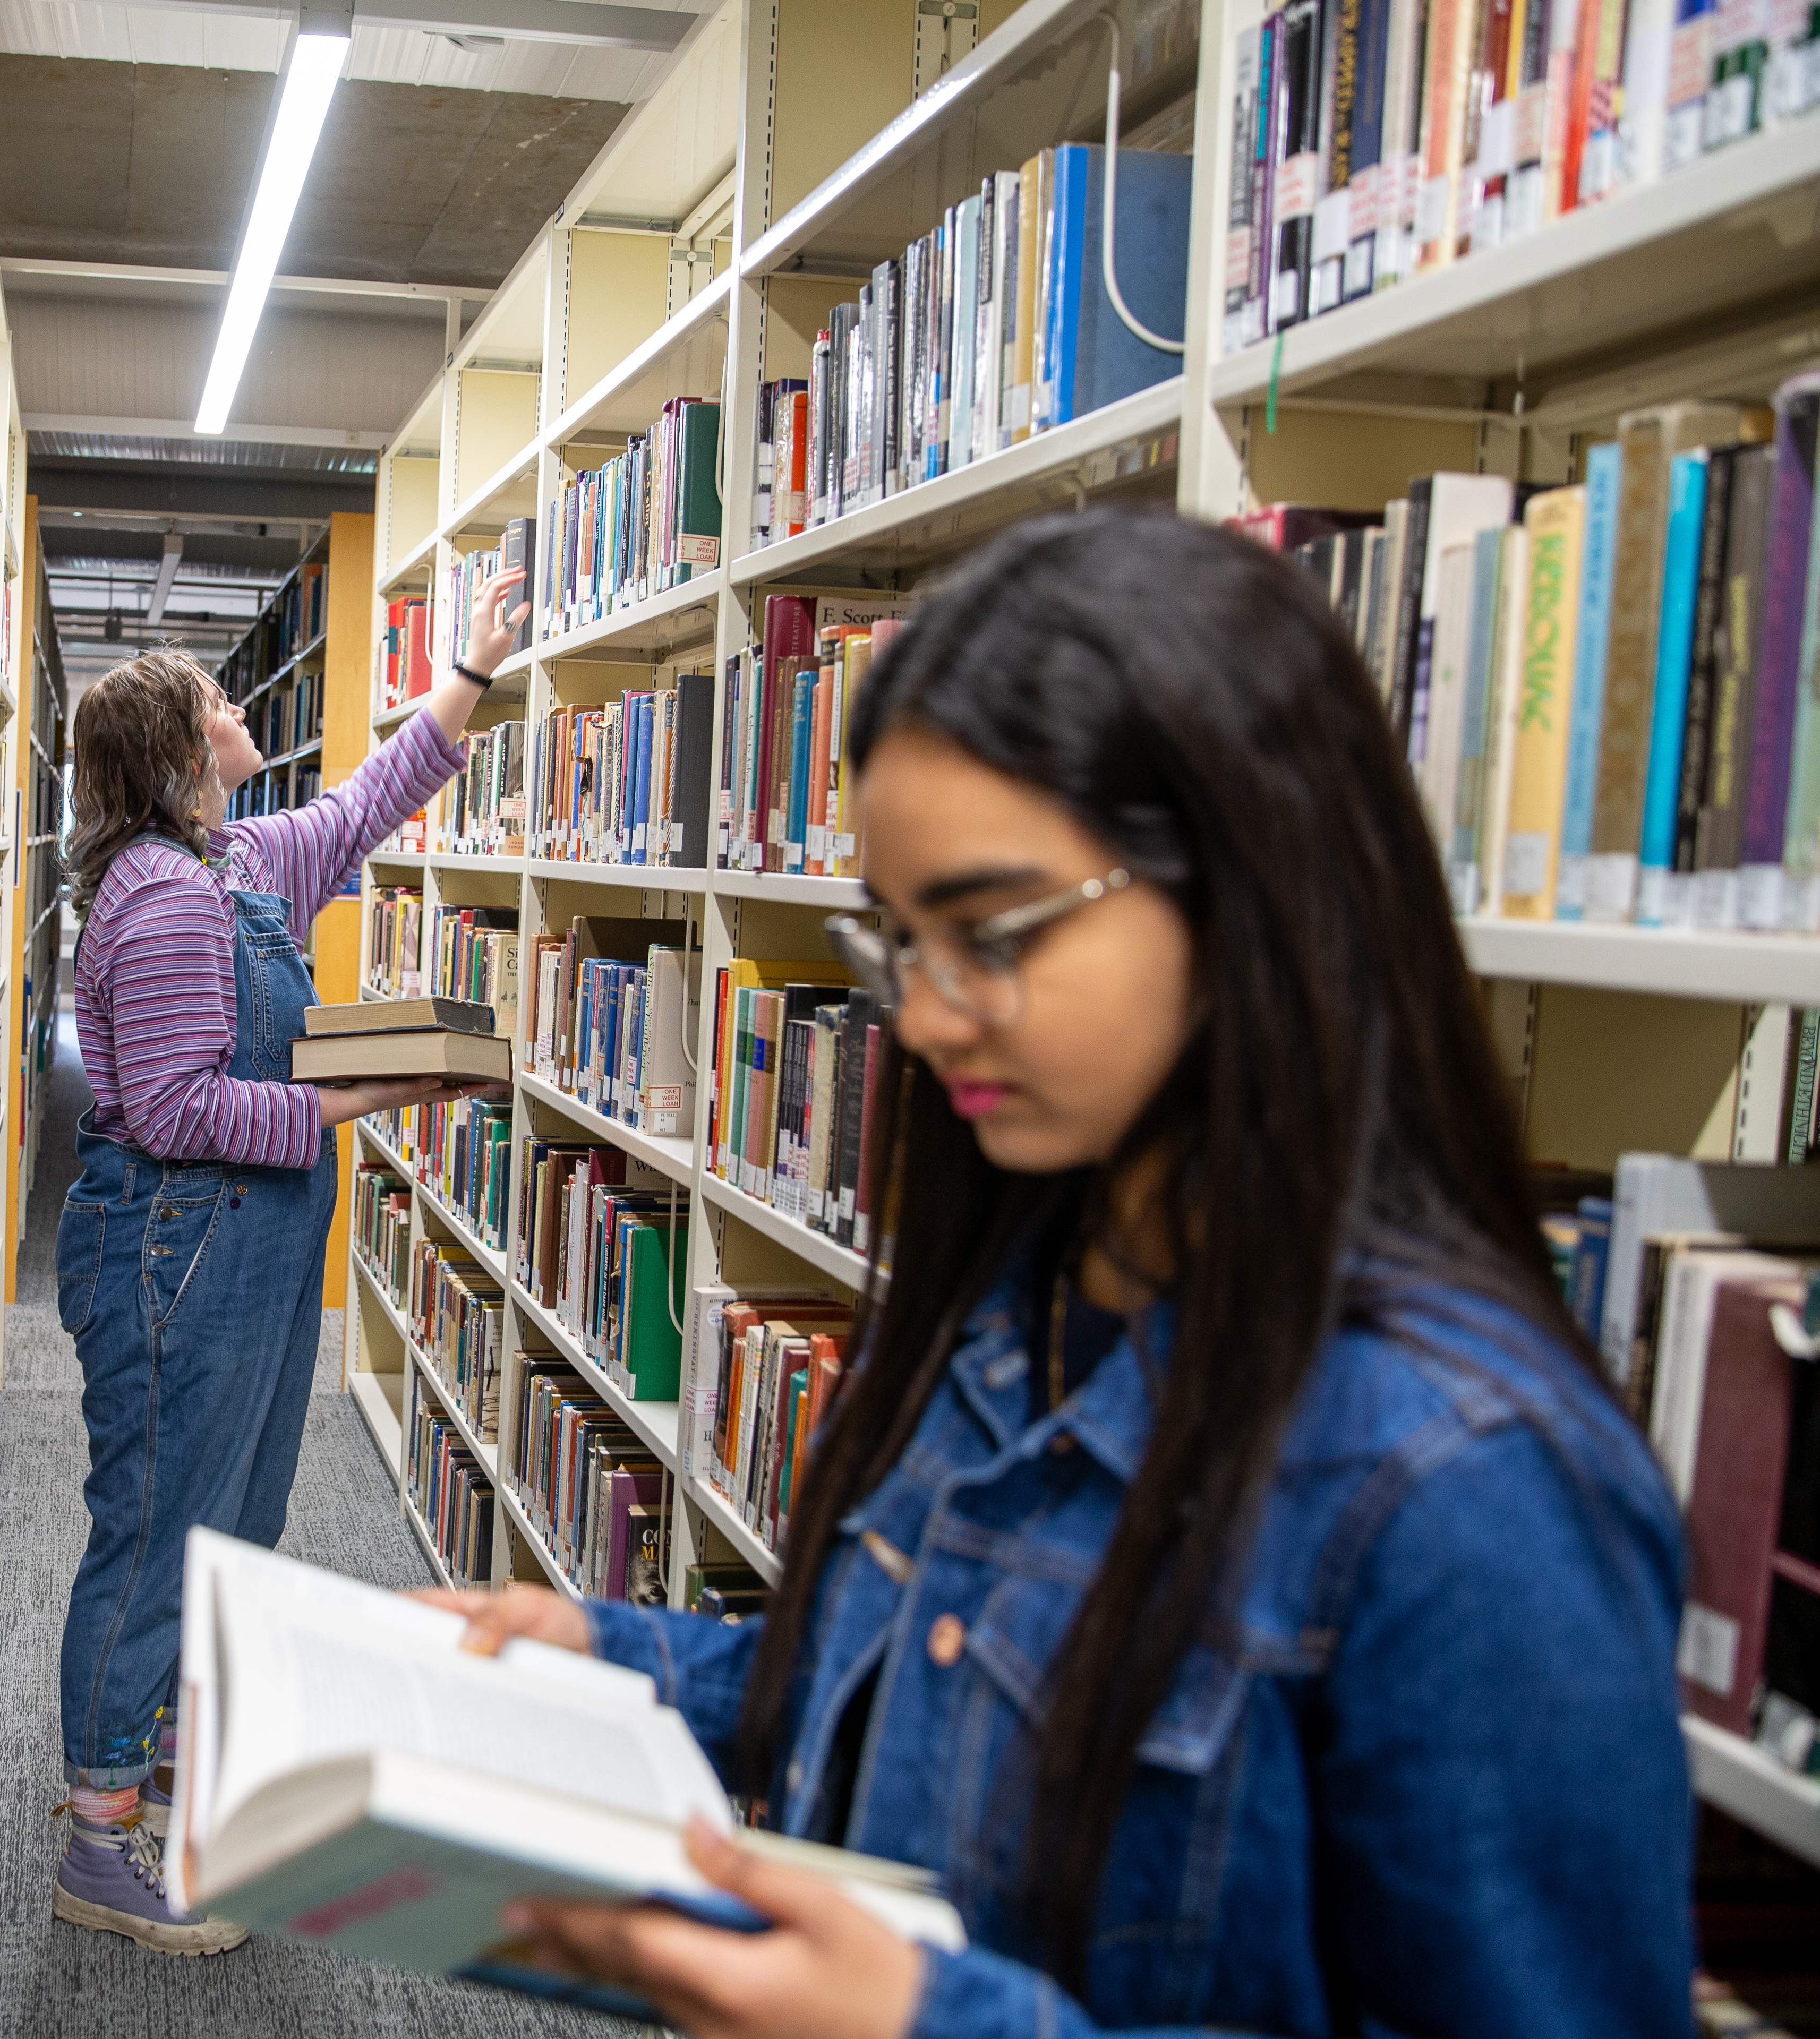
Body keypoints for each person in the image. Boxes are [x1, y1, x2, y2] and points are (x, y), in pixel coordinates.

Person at [423, 511, 1694, 2035]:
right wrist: (617, 1661)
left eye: (993, 932)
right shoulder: (1029, 1290)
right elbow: (923, 1697)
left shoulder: (1467, 1489)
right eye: (899, 945)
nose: (931, 1020)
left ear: (1241, 878)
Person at [49, 563, 528, 1953]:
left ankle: (157, 1773)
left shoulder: (239, 860)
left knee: (236, 1526)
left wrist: (473, 675)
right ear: (182, 746)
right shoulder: (162, 899)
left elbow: (366, 800)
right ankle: (97, 1841)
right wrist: (359, 1094)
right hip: (178, 1240)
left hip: (255, 1238)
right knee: (158, 1533)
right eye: (212, 694)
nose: (237, 698)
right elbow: (184, 1109)